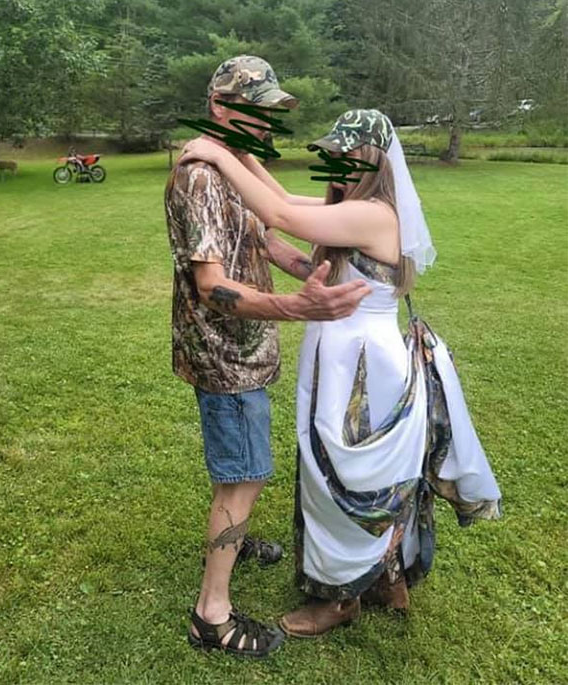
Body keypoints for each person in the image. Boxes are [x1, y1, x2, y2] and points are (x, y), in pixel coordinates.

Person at [179, 108, 502, 638]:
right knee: (351, 470)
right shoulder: (353, 206)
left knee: (346, 476)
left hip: (362, 370)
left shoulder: (375, 214)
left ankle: (339, 599)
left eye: (344, 156)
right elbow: (283, 199)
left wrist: (216, 154)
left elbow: (280, 213)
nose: (334, 165)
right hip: (343, 358)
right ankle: (385, 580)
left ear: (372, 159)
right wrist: (244, 155)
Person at [165, 58, 371, 657]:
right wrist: (300, 308)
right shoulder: (202, 176)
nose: (266, 123)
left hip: (246, 348)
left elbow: (266, 237)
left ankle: (232, 542)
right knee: (245, 474)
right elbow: (211, 287)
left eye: (272, 112)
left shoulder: (236, 165)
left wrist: (320, 277)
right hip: (223, 353)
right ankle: (212, 617)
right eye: (257, 110)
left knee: (241, 468)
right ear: (220, 107)